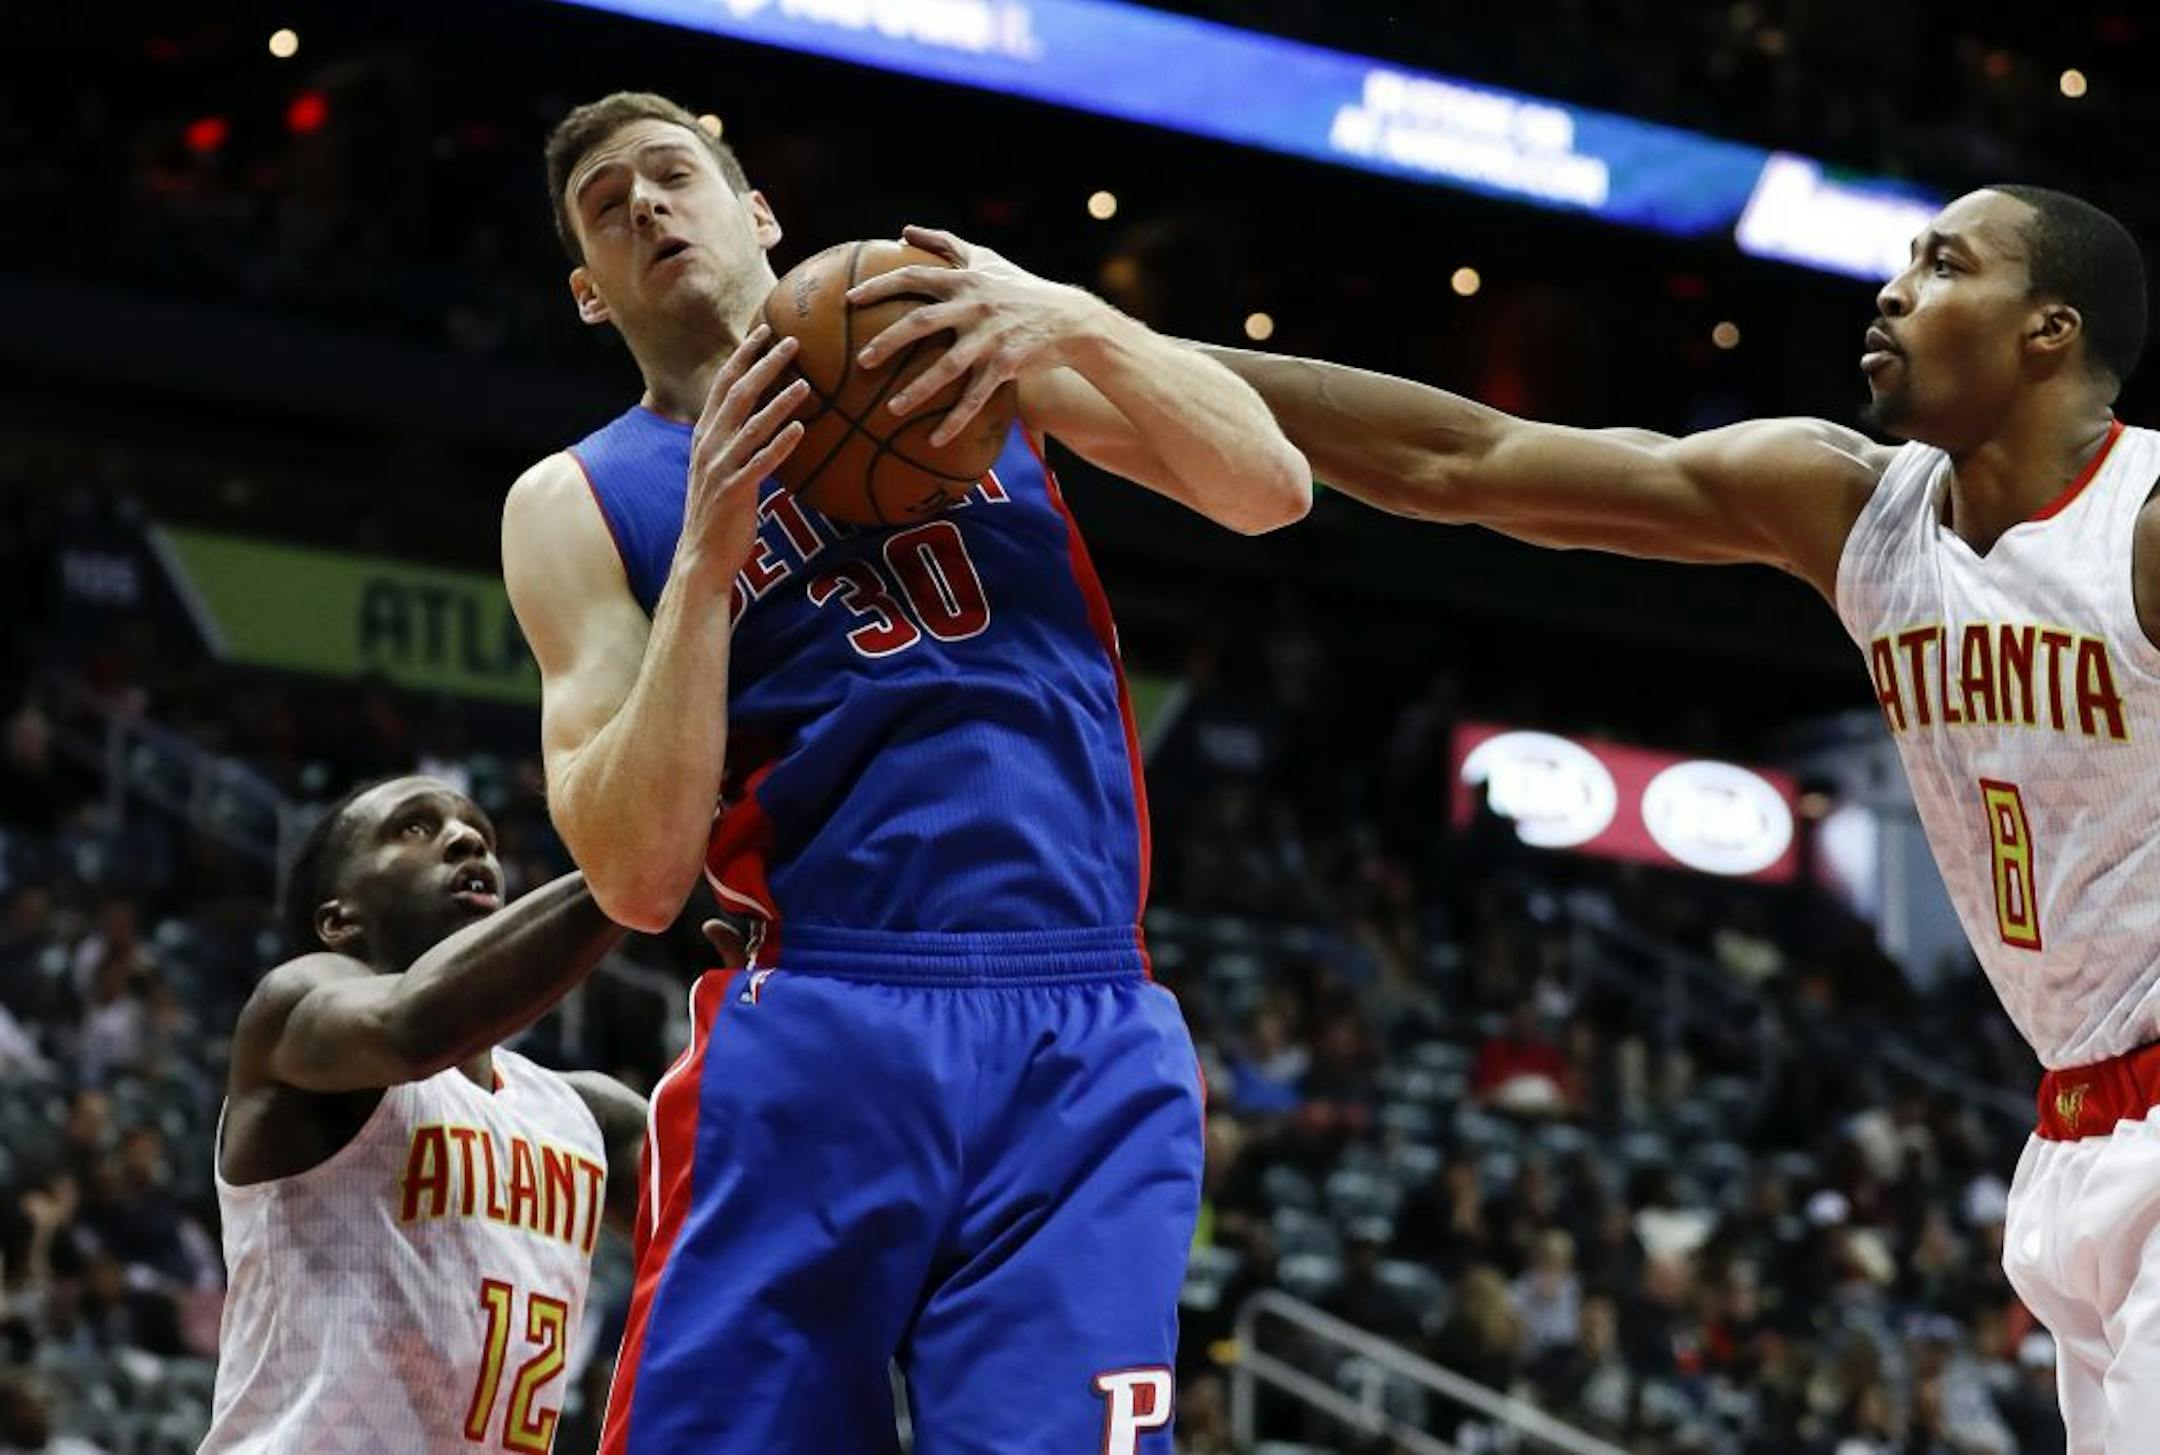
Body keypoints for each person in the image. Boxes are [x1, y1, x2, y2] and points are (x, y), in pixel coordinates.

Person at [1206, 184, 2154, 1452]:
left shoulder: (2139, 525)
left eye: (1944, 265)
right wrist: (1102, 350)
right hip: (2077, 1135)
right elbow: (1468, 461)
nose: (1894, 289)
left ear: (2049, 329)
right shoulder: (1854, 509)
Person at [499, 91, 1308, 1454]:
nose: (645, 205)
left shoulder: (958, 344)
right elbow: (636, 876)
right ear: (590, 292)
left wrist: (1061, 314)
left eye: (672, 175)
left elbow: (1267, 484)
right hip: (826, 1008)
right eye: (606, 207)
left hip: (1084, 1020)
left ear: (755, 210)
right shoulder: (577, 498)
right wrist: (706, 558)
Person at [200, 774, 649, 1452]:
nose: (468, 839)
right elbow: (413, 1025)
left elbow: (758, 1215)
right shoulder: (290, 1015)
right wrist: (637, 863)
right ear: (338, 918)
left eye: (481, 832)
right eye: (413, 827)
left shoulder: (588, 1117)